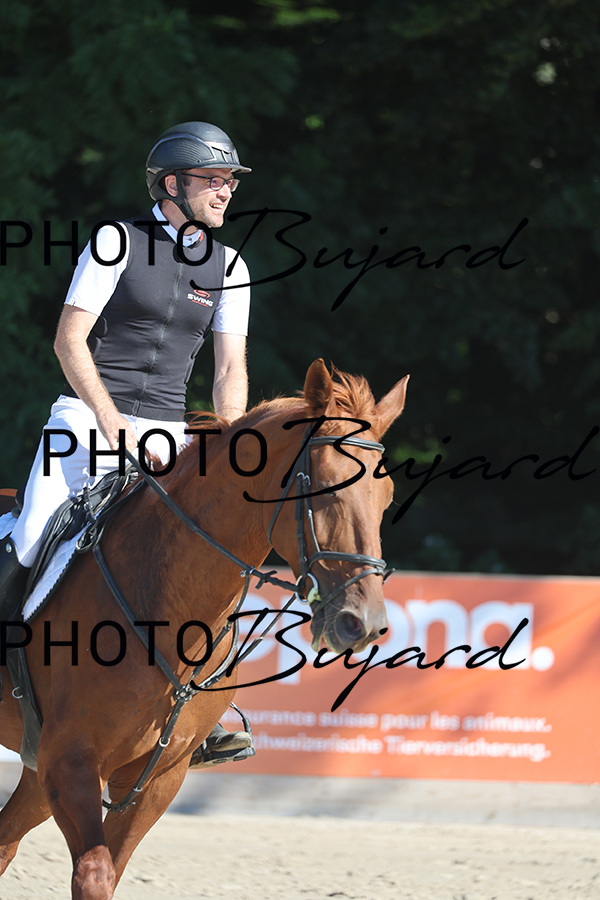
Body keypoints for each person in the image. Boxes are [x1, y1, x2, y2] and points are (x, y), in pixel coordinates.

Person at [0, 121, 254, 766]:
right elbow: (69, 339)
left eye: (229, 180)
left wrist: (227, 441)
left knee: (197, 555)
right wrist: (107, 416)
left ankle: (202, 704)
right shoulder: (117, 241)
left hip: (170, 435)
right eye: (213, 179)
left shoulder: (231, 266)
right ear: (171, 184)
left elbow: (229, 367)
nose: (225, 190)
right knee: (32, 534)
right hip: (87, 418)